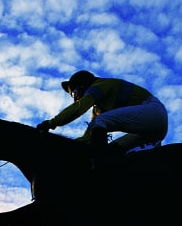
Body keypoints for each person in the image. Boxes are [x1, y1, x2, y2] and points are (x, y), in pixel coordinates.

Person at [37, 70, 168, 169]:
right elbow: (87, 139)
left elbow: (79, 108)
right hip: (153, 132)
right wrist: (64, 149)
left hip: (154, 111)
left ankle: (100, 167)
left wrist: (50, 123)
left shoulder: (100, 85)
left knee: (99, 127)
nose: (75, 98)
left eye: (74, 93)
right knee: (112, 150)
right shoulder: (99, 110)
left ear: (83, 85)